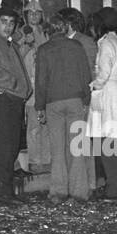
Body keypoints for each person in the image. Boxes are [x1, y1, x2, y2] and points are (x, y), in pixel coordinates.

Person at [35, 14, 92, 201]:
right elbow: (86, 76)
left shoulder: (44, 50)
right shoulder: (77, 47)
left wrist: (39, 106)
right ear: (65, 28)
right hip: (76, 101)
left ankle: (58, 192)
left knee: (57, 149)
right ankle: (79, 191)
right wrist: (86, 100)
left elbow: (41, 81)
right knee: (76, 147)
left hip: (53, 103)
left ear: (47, 31)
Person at [87, 8, 117, 198]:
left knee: (106, 144)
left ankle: (116, 189)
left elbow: (103, 74)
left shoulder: (106, 43)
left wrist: (93, 85)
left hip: (107, 95)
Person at [0, 6, 31, 204]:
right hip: (2, 97)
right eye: (4, 22)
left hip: (14, 98)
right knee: (5, 146)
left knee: (11, 146)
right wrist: (17, 85)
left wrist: (25, 89)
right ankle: (3, 193)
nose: (8, 27)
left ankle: (7, 192)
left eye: (11, 23)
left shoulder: (9, 44)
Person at [60, 8, 99, 192]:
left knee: (81, 141)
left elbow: (91, 72)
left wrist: (86, 98)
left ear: (68, 24)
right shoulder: (65, 42)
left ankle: (89, 182)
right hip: (68, 97)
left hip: (82, 98)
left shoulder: (85, 42)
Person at [17, 0, 50, 171]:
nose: (34, 15)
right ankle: (35, 161)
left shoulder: (45, 33)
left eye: (37, 13)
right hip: (30, 85)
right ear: (25, 15)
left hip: (44, 84)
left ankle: (46, 159)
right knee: (33, 125)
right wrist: (27, 43)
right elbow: (17, 57)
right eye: (31, 13)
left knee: (45, 124)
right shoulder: (22, 33)